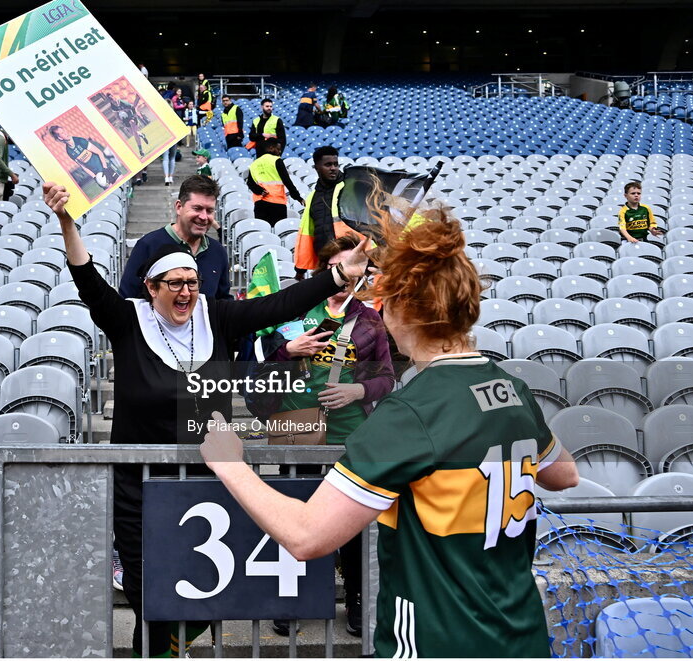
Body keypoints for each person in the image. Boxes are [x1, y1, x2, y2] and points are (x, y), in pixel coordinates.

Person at [200, 201, 579, 658]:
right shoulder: (512, 388)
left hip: (436, 640)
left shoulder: (410, 413)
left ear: (401, 310)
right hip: (521, 633)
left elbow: (306, 537)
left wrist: (229, 464)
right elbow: (563, 474)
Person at [41, 180, 369, 657]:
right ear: (151, 288)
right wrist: (67, 221)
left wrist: (338, 278)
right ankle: (157, 653)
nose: (185, 292)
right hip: (139, 488)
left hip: (207, 481)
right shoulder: (127, 321)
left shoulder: (215, 317)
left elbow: (279, 305)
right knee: (147, 593)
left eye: (192, 282)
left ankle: (171, 650)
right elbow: (86, 277)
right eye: (173, 284)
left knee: (199, 596)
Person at [261, 234, 395, 636]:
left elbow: (387, 378)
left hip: (349, 432)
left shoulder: (370, 321)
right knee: (293, 514)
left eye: (357, 271)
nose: (348, 279)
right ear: (327, 271)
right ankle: (292, 598)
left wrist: (359, 389)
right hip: (294, 427)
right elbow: (259, 369)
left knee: (348, 521)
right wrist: (288, 350)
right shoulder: (294, 309)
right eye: (339, 269)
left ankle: (355, 601)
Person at [120, 175, 230, 301]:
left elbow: (224, 302)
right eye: (197, 208)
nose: (204, 217)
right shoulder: (148, 246)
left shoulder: (218, 251)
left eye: (209, 211)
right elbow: (127, 300)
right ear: (178, 207)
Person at [294, 145, 345, 278]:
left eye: (336, 164)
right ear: (316, 167)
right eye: (328, 165)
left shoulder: (349, 189)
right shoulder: (312, 198)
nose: (333, 168)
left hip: (349, 260)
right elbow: (308, 231)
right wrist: (300, 270)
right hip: (324, 263)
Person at [246, 138, 303, 227]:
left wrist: (260, 191)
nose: (279, 152)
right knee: (278, 231)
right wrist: (298, 198)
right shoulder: (277, 160)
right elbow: (287, 181)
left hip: (259, 203)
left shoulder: (255, 163)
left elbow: (250, 183)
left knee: (264, 230)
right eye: (278, 149)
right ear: (271, 148)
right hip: (277, 202)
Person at [48, 125, 119, 191]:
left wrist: (105, 168)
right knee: (111, 190)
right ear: (60, 137)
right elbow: (83, 166)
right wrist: (95, 178)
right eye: (62, 133)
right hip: (98, 175)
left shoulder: (79, 141)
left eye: (64, 130)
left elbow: (99, 152)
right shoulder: (69, 151)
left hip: (106, 167)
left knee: (120, 181)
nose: (66, 133)